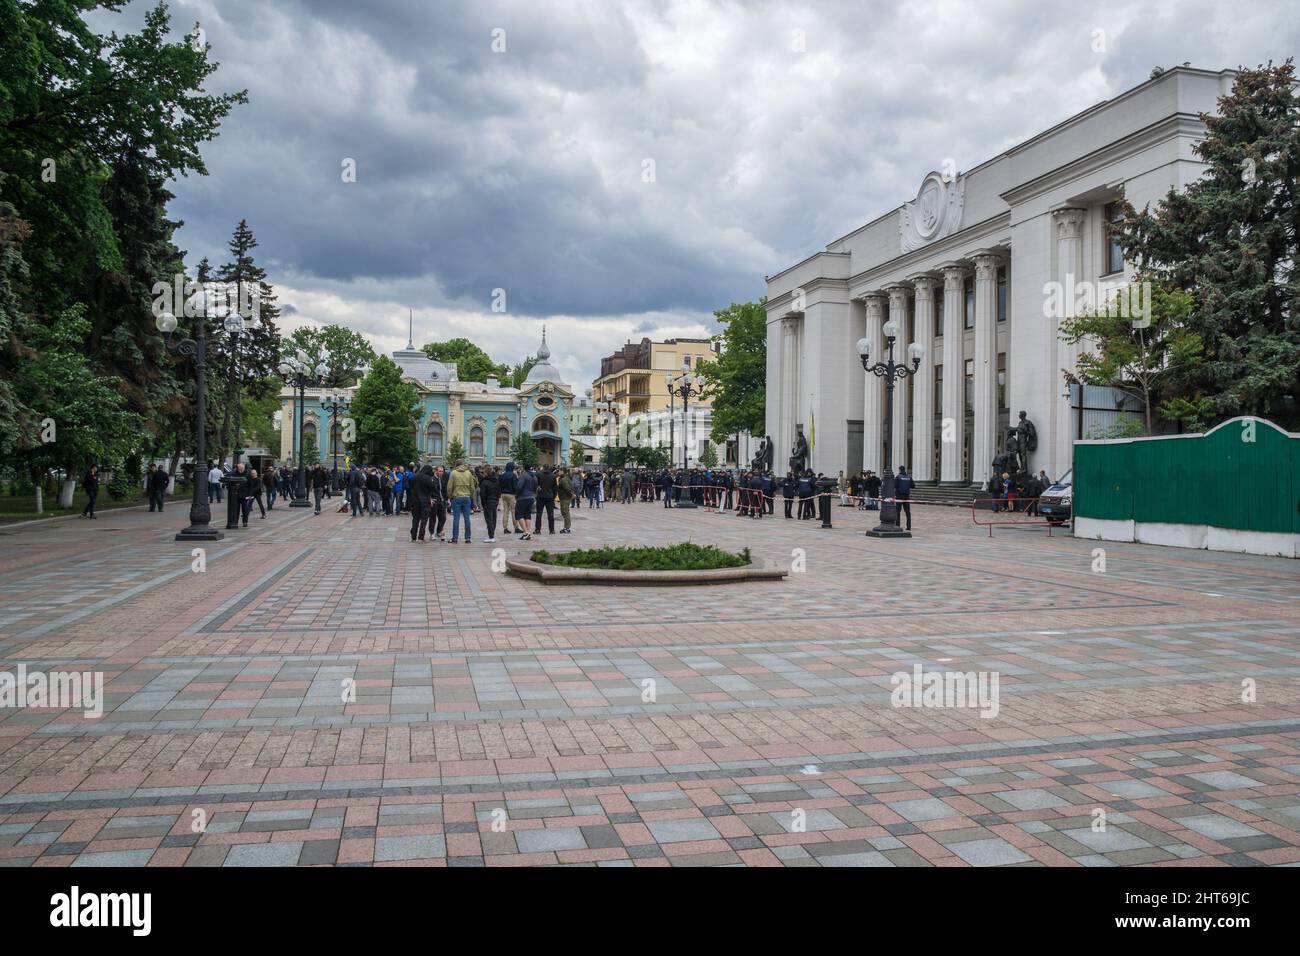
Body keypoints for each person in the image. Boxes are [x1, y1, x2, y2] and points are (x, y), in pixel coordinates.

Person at [446, 460, 476, 543]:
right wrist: (470, 496)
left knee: (456, 518)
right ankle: (468, 538)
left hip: (456, 497)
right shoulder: (468, 473)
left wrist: (450, 496)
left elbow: (449, 487)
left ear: (456, 465)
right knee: (467, 518)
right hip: (467, 497)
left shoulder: (453, 473)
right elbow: (472, 487)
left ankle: (455, 538)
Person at [409, 464, 436, 541]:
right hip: (425, 501)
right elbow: (433, 488)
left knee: (415, 519)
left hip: (415, 501)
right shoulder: (427, 478)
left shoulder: (414, 476)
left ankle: (413, 536)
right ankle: (421, 536)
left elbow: (411, 487)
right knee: (424, 520)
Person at [479, 465, 500, 542]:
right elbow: (499, 491)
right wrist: (497, 499)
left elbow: (482, 494)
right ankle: (492, 534)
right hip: (495, 501)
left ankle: (491, 537)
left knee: (489, 519)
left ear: (486, 472)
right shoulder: (496, 480)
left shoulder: (484, 482)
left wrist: (483, 503)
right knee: (494, 518)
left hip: (488, 502)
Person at [516, 465, 537, 540]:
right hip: (531, 497)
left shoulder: (524, 476)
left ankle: (525, 532)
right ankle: (528, 532)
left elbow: (519, 487)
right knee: (527, 514)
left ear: (524, 469)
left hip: (522, 497)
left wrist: (517, 495)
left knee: (519, 514)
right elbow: (536, 486)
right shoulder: (534, 476)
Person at [499, 463, 519, 534]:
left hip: (503, 494)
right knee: (514, 512)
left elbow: (499, 485)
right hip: (511, 495)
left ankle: (505, 528)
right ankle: (516, 527)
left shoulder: (502, 475)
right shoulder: (513, 475)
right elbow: (515, 486)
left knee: (505, 512)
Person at [895, 465, 915, 531]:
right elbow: (913, 486)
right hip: (906, 496)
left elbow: (895, 486)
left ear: (900, 470)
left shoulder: (898, 477)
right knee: (907, 512)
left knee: (898, 511)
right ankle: (909, 526)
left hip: (899, 496)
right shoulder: (909, 477)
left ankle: (897, 525)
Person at [558, 466, 575, 533]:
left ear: (563, 471)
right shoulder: (566, 478)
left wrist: (572, 495)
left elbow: (567, 488)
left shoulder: (564, 479)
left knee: (565, 513)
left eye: (560, 471)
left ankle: (567, 528)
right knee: (566, 512)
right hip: (566, 498)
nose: (558, 472)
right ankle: (567, 527)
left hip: (565, 498)